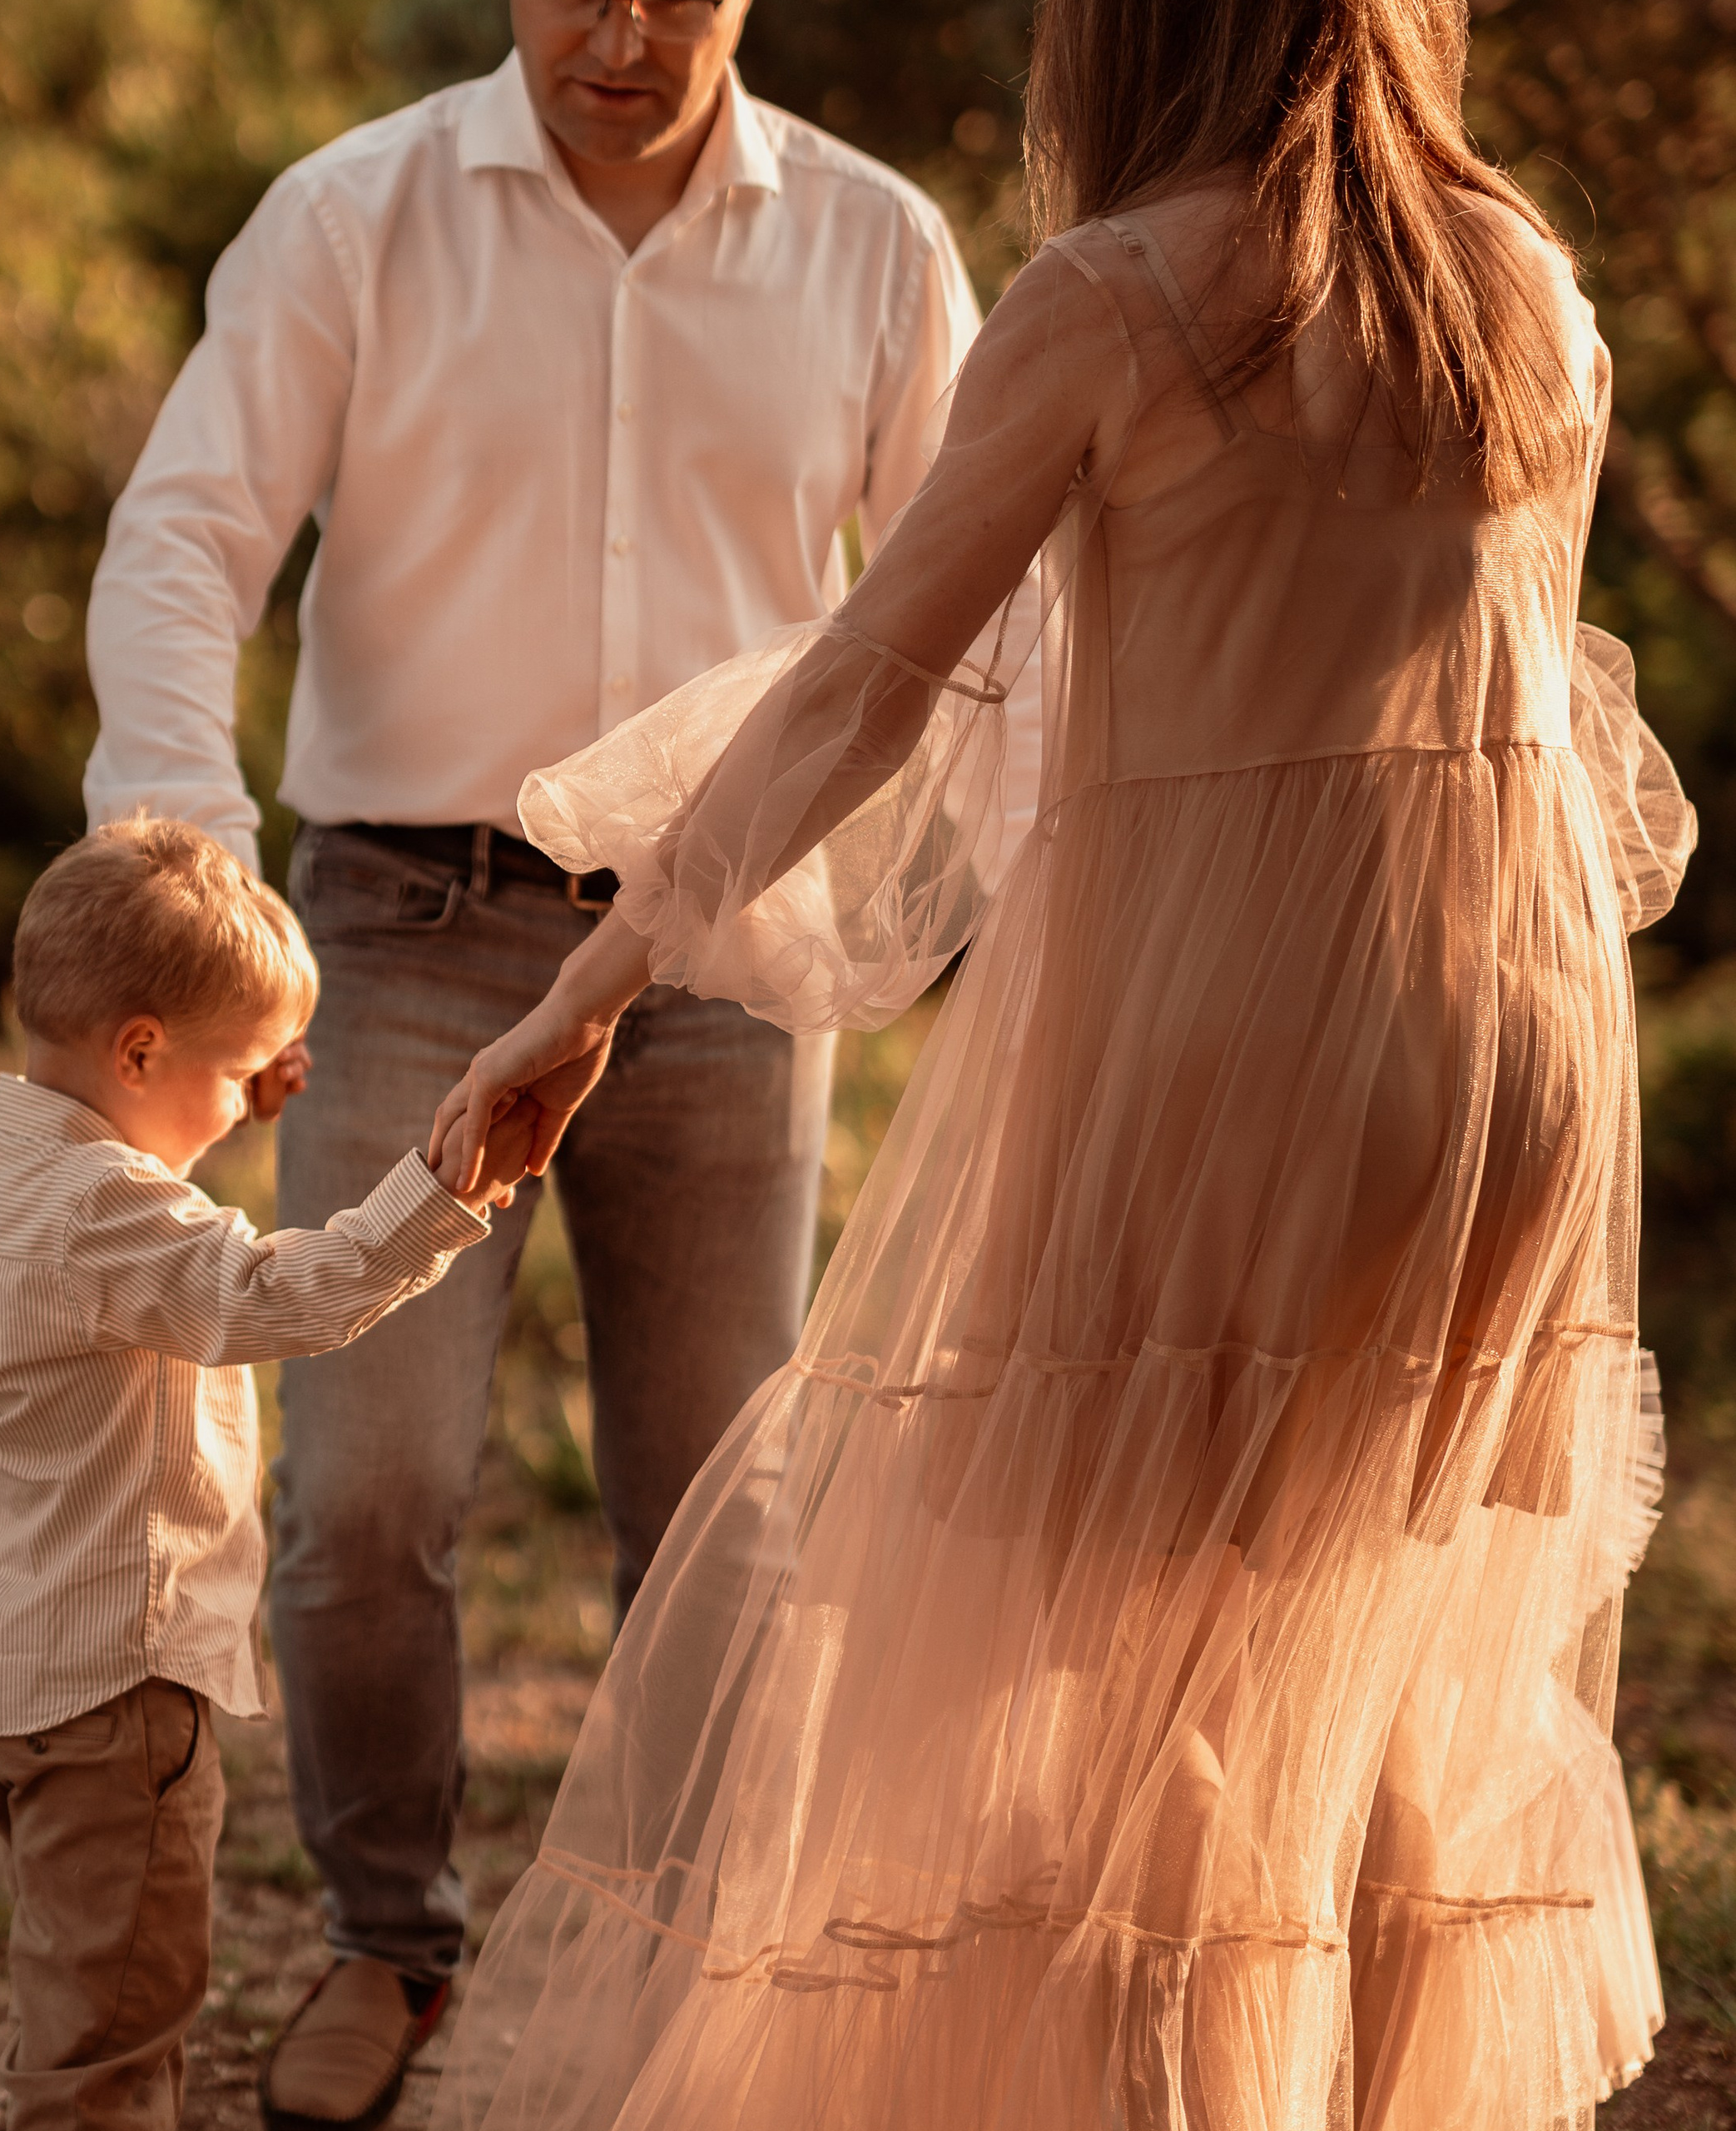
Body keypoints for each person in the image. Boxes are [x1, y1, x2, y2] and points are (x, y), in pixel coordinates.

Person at [425, 0, 1695, 2122]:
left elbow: (861, 692)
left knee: (1100, 1730)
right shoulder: (1518, 284)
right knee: (1363, 1678)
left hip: (1226, 1050)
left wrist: (592, 985)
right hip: (1507, 1054)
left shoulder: (1115, 293)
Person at [82, 1, 1016, 2121]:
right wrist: (200, 871)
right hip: (396, 931)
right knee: (364, 1488)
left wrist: (1001, 897)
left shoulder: (875, 249)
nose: (619, 28)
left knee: (716, 1491)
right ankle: (383, 1947)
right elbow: (183, 541)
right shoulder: (352, 214)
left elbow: (1005, 616)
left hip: (722, 936)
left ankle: (682, 1968)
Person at [0, 818, 535, 2130]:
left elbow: (140, 1189)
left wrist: (216, 1095)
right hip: (121, 1696)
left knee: (75, 1988)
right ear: (141, 1051)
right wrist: (436, 1195)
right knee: (112, 2037)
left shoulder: (3, 1167)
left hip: (19, 1684)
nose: (259, 1090)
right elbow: (263, 1295)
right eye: (242, 1071)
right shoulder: (109, 1214)